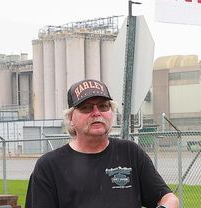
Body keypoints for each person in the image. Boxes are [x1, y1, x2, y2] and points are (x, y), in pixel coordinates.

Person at [26, 79, 179, 208]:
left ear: (111, 112)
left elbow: (169, 199)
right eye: (86, 108)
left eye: (103, 106)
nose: (96, 112)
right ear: (71, 118)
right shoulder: (49, 166)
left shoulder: (130, 152)